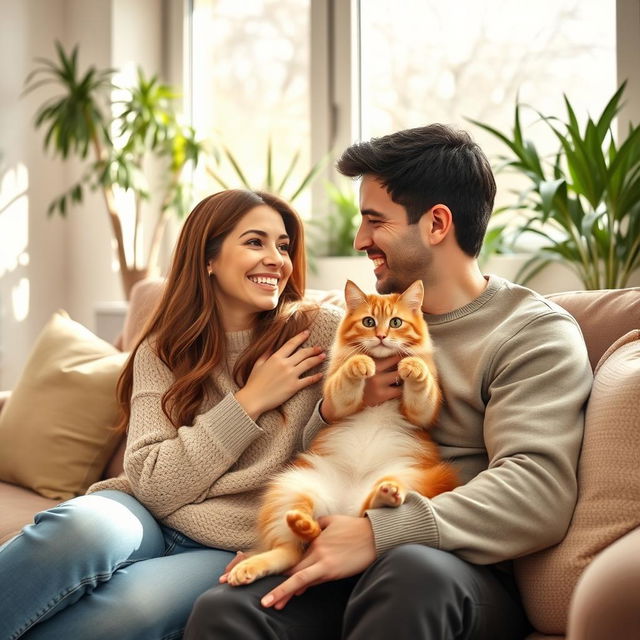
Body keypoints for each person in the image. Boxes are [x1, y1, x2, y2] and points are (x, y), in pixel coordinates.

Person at [184, 124, 594, 640]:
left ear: (437, 223)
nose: (360, 241)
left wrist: (381, 533)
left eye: (374, 221)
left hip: (453, 565)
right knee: (229, 608)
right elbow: (323, 451)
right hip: (339, 533)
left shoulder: (531, 332)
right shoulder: (355, 329)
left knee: (411, 574)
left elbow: (538, 491)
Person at [0, 189, 343, 639]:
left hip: (233, 541)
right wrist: (250, 401)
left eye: (283, 246)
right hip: (144, 512)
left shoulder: (321, 334)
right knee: (77, 530)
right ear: (209, 258)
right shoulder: (164, 348)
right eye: (255, 242)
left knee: (129, 609)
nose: (276, 259)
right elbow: (154, 486)